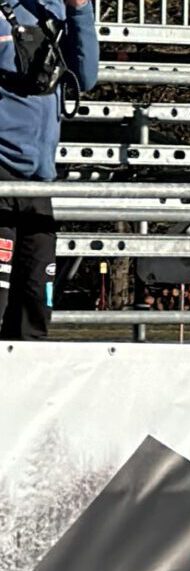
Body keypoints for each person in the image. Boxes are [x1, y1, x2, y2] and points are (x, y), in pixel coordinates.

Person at [0, 0, 99, 339]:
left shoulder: (56, 8)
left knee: (36, 300)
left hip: (39, 179)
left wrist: (80, 10)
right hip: (2, 169)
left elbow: (85, 78)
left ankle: (24, 387)